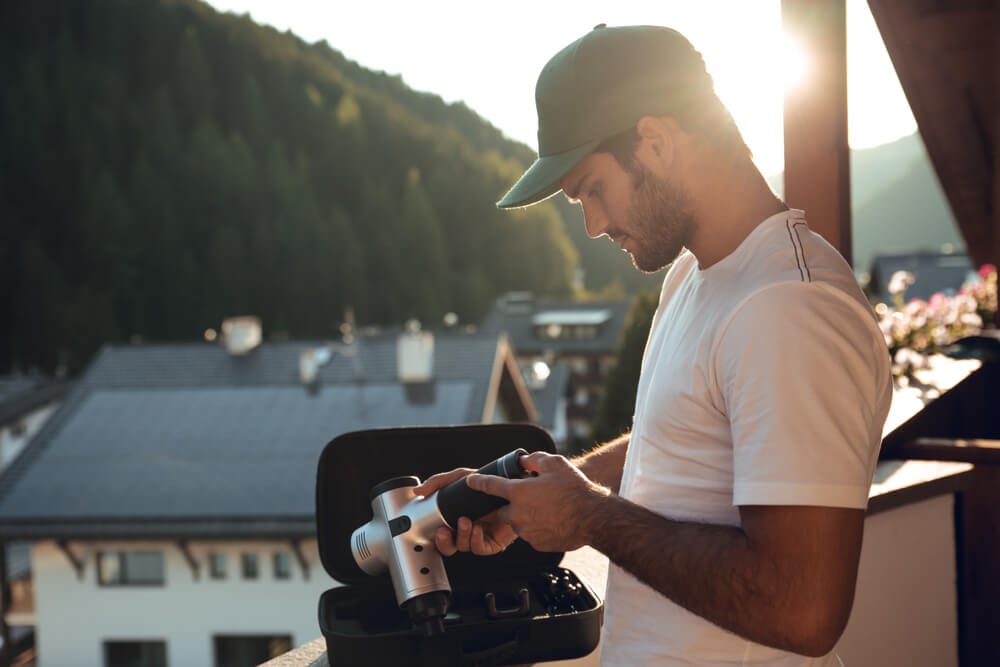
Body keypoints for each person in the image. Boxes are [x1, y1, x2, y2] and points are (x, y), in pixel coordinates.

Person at [414, 24, 892, 665]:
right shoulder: (695, 275)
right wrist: (551, 491)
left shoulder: (790, 307)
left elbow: (802, 609)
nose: (593, 224)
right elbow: (687, 439)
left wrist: (588, 517)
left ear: (658, 142)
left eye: (591, 188)